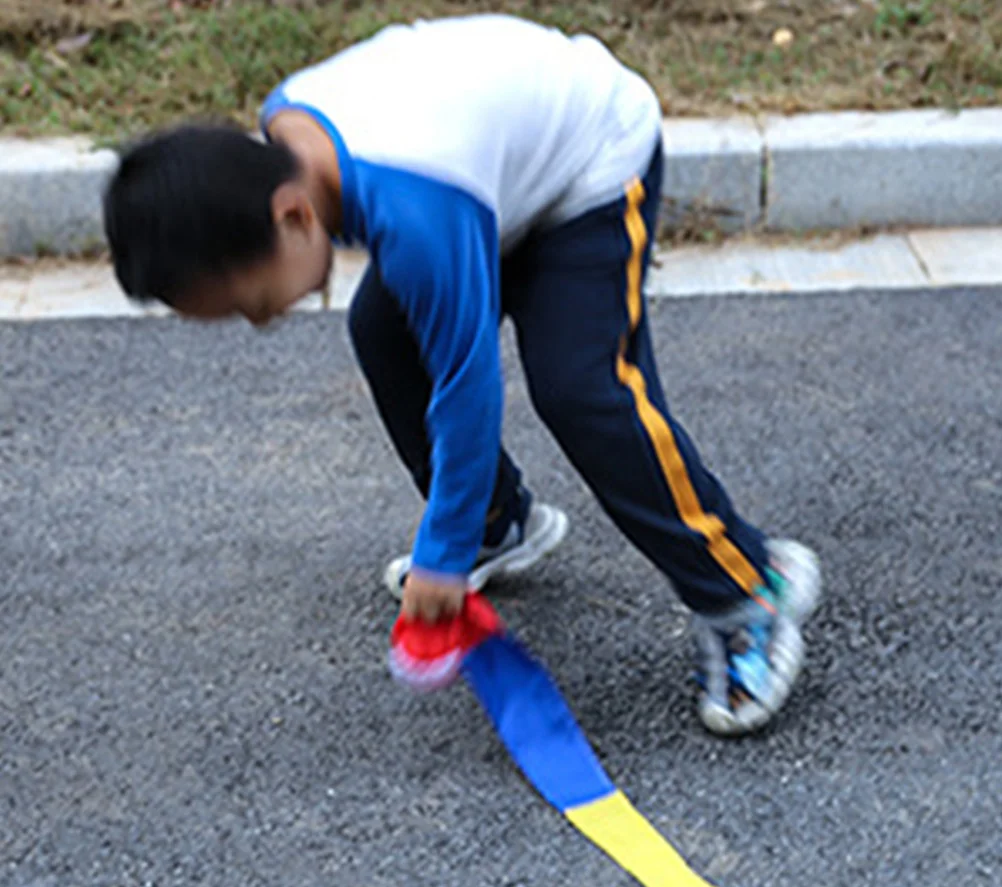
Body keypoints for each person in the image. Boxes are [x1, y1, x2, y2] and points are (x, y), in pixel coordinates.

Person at [102, 13, 821, 735]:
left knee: (582, 389)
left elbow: (467, 387)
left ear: (292, 215)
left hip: (588, 160)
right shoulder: (289, 139)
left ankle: (744, 588)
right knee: (383, 332)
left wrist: (438, 556)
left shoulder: (415, 215)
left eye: (251, 303)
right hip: (485, 183)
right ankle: (495, 524)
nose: (262, 322)